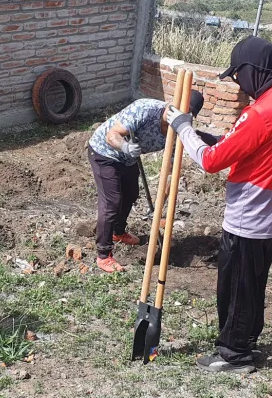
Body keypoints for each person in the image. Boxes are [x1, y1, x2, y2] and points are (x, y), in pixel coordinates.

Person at [165, 36, 272, 373]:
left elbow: (210, 161)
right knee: (253, 283)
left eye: (238, 77)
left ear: (252, 71)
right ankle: (246, 342)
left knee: (235, 286)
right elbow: (261, 145)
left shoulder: (262, 112)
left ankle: (233, 354)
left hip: (252, 215)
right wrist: (216, 137)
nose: (239, 85)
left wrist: (183, 127)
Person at [87, 92, 207, 273]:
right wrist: (125, 146)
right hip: (105, 152)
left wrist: (160, 206)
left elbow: (171, 174)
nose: (174, 114)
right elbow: (112, 135)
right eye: (174, 108)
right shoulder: (144, 109)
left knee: (131, 194)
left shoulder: (179, 133)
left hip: (128, 160)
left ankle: (118, 232)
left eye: (184, 113)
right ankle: (103, 255)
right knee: (112, 201)